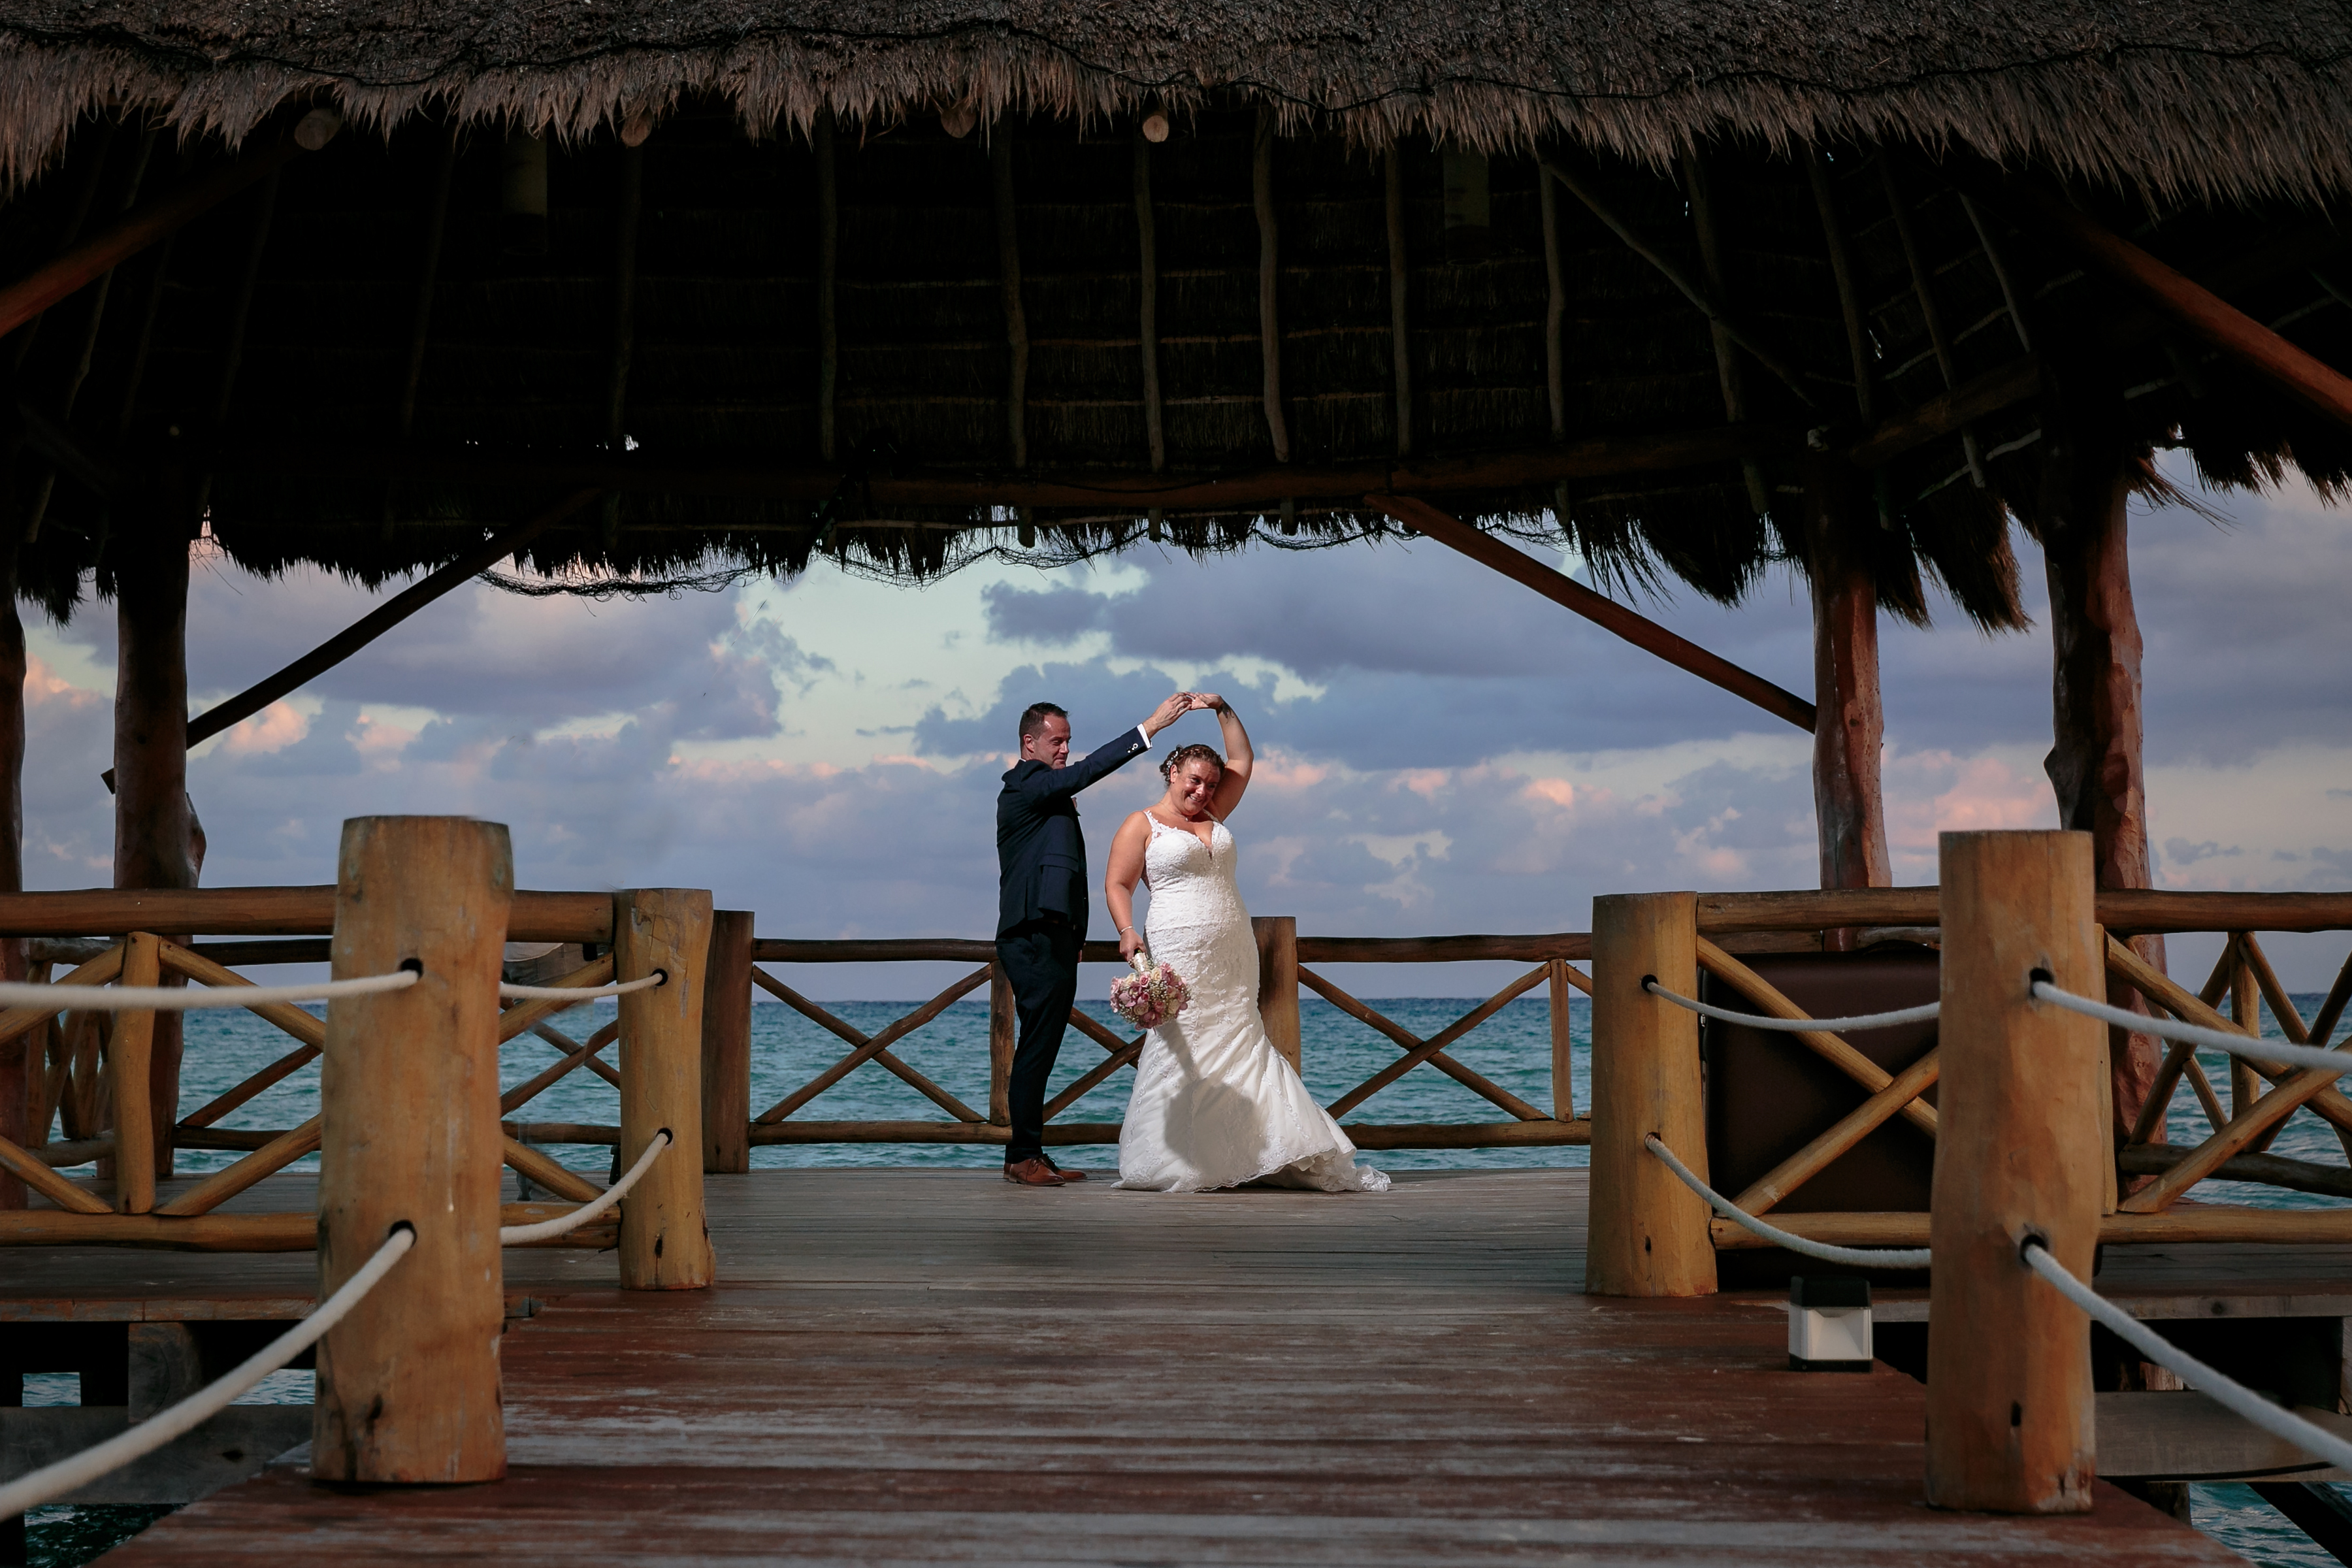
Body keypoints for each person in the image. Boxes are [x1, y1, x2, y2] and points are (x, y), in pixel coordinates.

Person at [1102, 694, 1388, 1193]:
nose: (1202, 791)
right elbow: (1117, 885)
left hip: (1233, 945)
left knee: (1242, 1038)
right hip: (1178, 948)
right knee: (1186, 1044)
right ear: (1171, 772)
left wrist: (1221, 707)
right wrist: (1127, 930)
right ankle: (1184, 1157)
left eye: (1210, 784)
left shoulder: (1215, 808)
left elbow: (1242, 760)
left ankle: (1264, 1149)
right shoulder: (1141, 824)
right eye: (1193, 780)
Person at [996, 692, 1194, 1187]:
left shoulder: (1048, 793)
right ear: (1029, 742)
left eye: (1068, 741)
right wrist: (1149, 727)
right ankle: (1022, 1156)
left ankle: (1029, 1152)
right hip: (1034, 937)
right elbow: (1083, 773)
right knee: (1037, 1048)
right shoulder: (1026, 786)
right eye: (1056, 741)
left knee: (1042, 1048)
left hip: (1055, 936)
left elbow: (1062, 870)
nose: (1064, 749)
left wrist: (1077, 934)